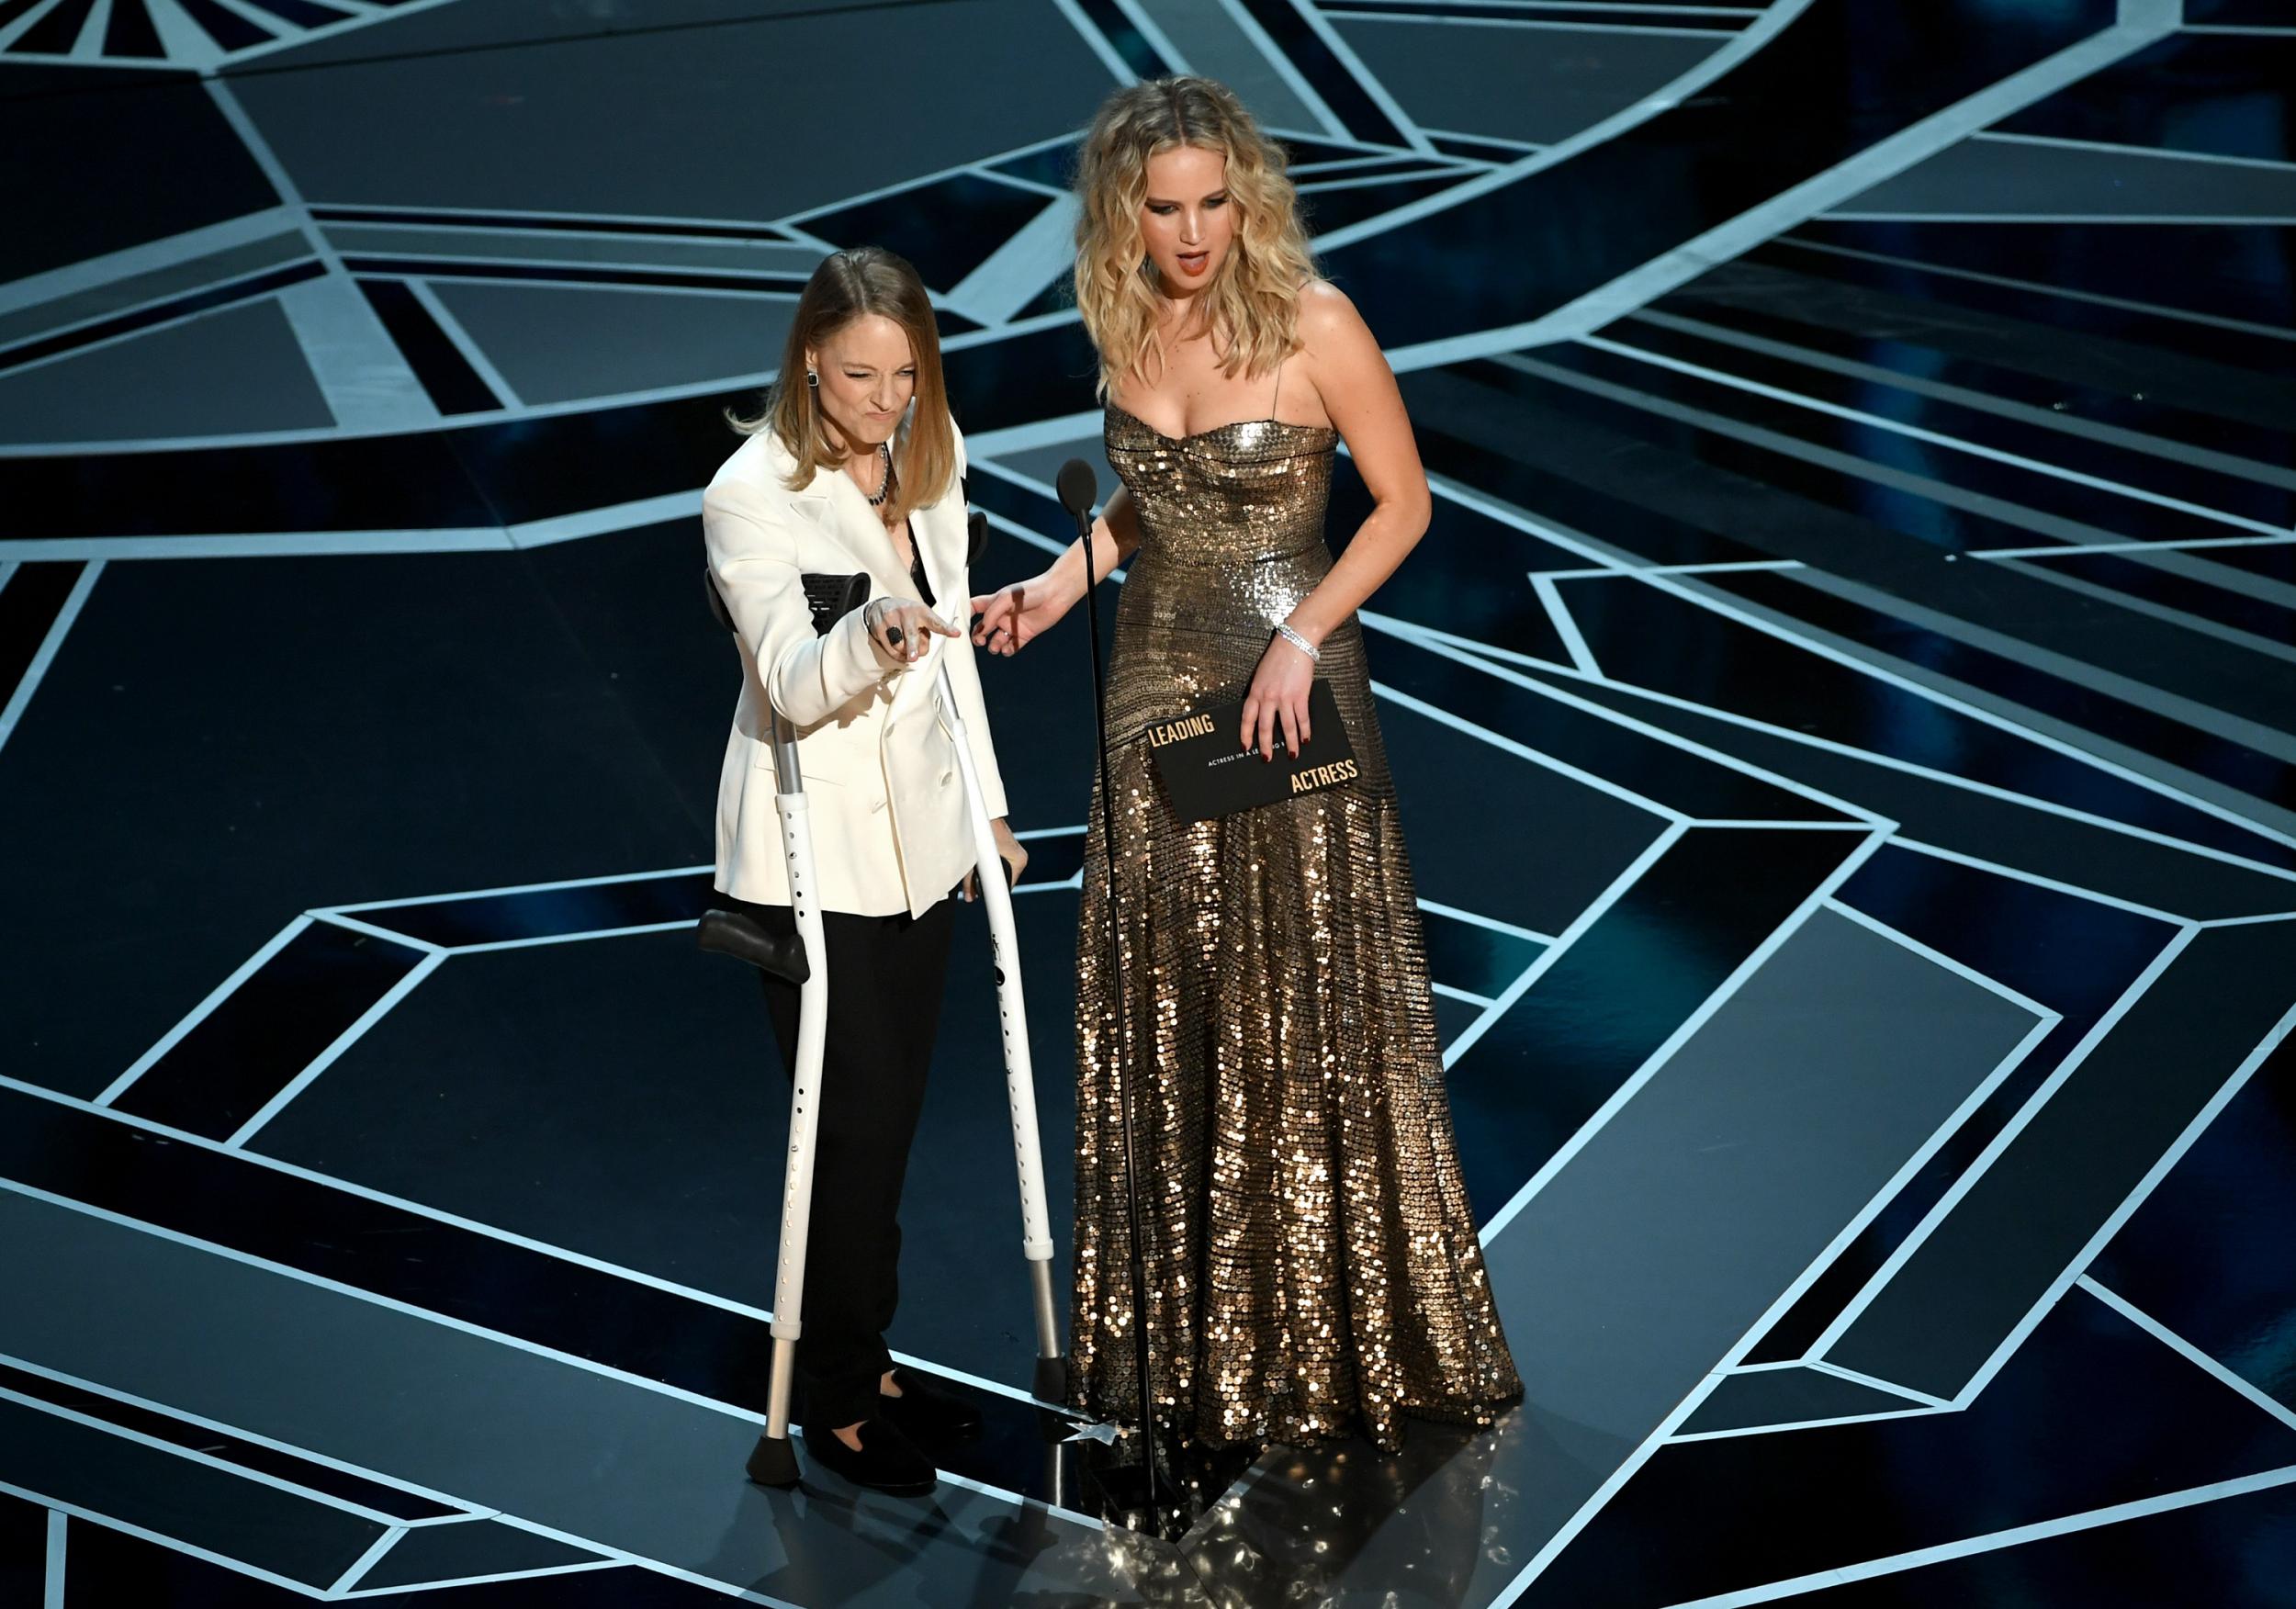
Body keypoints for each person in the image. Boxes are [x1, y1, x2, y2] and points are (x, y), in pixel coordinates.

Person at [971, 77, 1522, 1457]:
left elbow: (1406, 505)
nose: (1194, 231)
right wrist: (1054, 584)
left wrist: (1303, 631)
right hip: (1152, 676)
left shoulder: (1315, 321)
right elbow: (1145, 517)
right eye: (1165, 209)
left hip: (1291, 687)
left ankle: (1331, 1339)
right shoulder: (1118, 321)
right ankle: (1201, 1343)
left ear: (1249, 197)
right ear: (1123, 214)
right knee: (1172, 988)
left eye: (1215, 202)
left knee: (1303, 991)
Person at [704, 246, 1027, 1495]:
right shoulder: (752, 495)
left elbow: (950, 664)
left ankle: (866, 1358)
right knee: (845, 1132)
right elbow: (789, 678)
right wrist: (869, 634)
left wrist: (988, 815)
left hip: (929, 852)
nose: (887, 399)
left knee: (887, 1133)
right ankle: (834, 1400)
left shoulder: (928, 462)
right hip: (817, 859)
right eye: (860, 375)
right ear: (808, 365)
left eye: (906, 373)